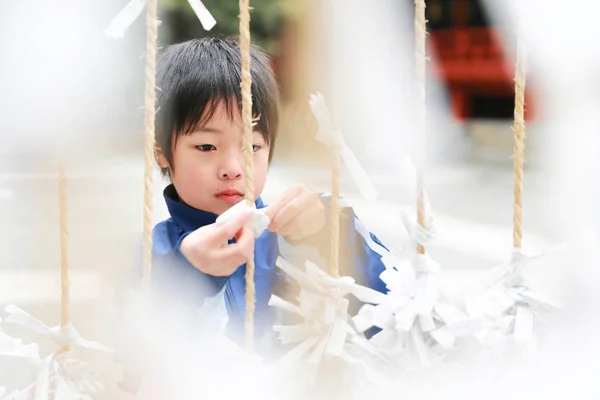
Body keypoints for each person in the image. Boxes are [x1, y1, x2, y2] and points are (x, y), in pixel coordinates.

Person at [126, 36, 389, 362]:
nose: (234, 169)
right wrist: (187, 271)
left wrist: (331, 234)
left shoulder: (294, 232)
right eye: (207, 147)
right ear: (162, 153)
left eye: (252, 147)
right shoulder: (148, 258)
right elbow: (129, 354)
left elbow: (386, 308)